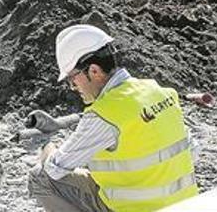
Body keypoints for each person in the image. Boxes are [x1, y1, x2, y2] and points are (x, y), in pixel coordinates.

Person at [27, 24, 199, 212]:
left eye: (72, 79)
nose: (73, 87)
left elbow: (54, 169)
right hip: (186, 205)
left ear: (93, 71)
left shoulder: (105, 113)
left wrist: (47, 146)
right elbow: (192, 152)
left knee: (40, 177)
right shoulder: (160, 92)